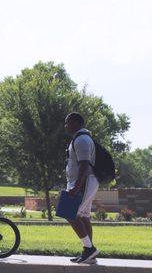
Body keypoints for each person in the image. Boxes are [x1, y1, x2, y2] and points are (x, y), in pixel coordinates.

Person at [64, 112, 100, 264]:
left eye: (67, 123)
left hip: (83, 182)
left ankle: (89, 248)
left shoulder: (82, 140)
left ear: (75, 123)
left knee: (68, 212)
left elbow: (84, 165)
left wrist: (76, 186)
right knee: (83, 216)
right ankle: (89, 254)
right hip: (85, 182)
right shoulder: (81, 139)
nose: (66, 126)